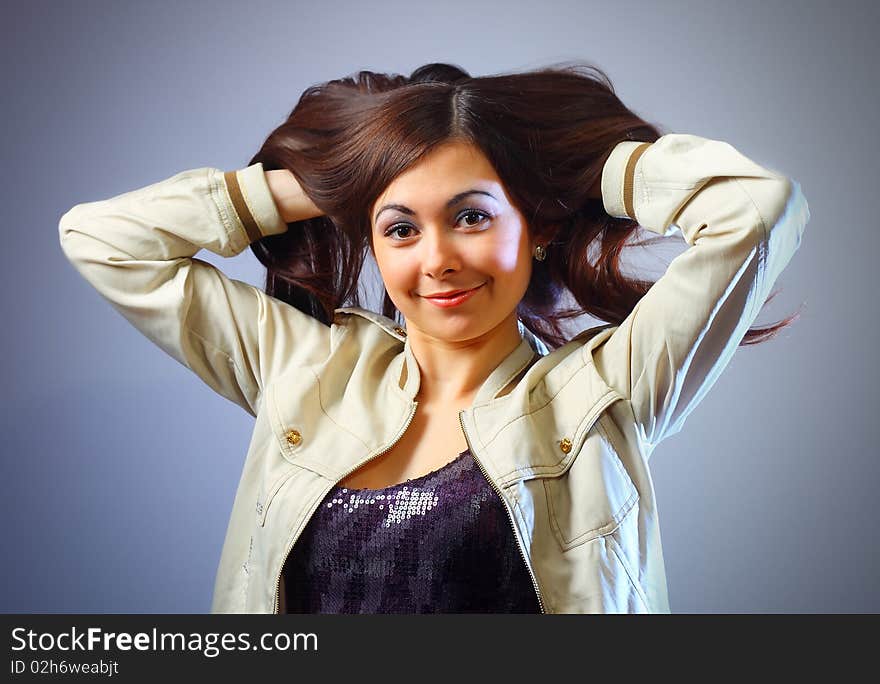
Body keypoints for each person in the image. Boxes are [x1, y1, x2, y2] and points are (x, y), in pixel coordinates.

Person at [58, 62, 810, 613]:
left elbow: (758, 207)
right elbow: (100, 239)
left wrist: (571, 165)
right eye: (400, 228)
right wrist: (329, 181)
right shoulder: (306, 369)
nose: (437, 258)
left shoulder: (605, 393)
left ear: (537, 227)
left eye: (473, 216)